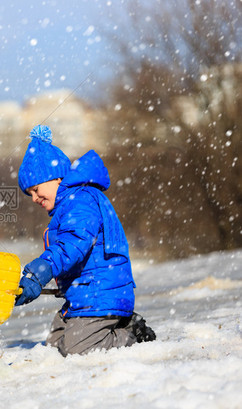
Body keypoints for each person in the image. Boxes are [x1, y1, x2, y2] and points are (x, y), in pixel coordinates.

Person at [15, 125, 156, 357]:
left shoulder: (80, 201)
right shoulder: (68, 206)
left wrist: (40, 271)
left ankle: (132, 335)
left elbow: (73, 244)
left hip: (100, 294)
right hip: (85, 295)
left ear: (56, 178)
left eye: (36, 189)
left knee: (76, 350)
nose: (34, 198)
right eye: (29, 193)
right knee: (55, 347)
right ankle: (114, 326)